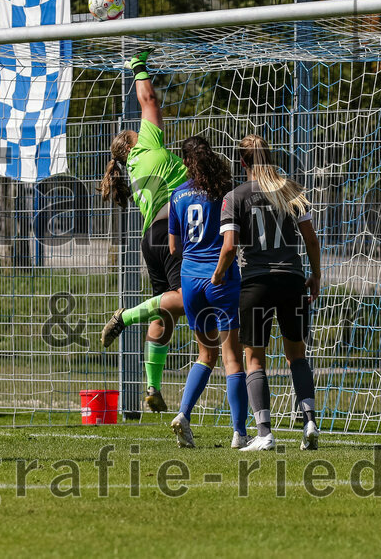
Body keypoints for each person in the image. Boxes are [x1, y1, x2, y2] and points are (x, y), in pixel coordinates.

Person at [212, 135, 322, 452]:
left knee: (255, 359)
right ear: (270, 157)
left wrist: (218, 275)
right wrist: (315, 274)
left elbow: (230, 246)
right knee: (297, 355)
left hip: (257, 284)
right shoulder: (292, 190)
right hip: (292, 280)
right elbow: (311, 240)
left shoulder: (235, 197)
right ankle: (310, 423)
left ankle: (264, 433)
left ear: (242, 162)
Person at [99, 50, 189, 412]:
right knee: (185, 298)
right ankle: (125, 316)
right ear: (135, 141)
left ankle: (152, 387)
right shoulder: (148, 145)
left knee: (164, 313)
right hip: (171, 231)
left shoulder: (131, 166)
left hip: (150, 236)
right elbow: (148, 98)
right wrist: (139, 65)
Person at [166, 136, 249, 448]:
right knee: (232, 357)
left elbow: (174, 247)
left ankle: (184, 415)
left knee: (205, 354)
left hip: (190, 281)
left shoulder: (177, 196)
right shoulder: (224, 192)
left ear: (187, 163)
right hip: (221, 279)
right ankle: (240, 433)